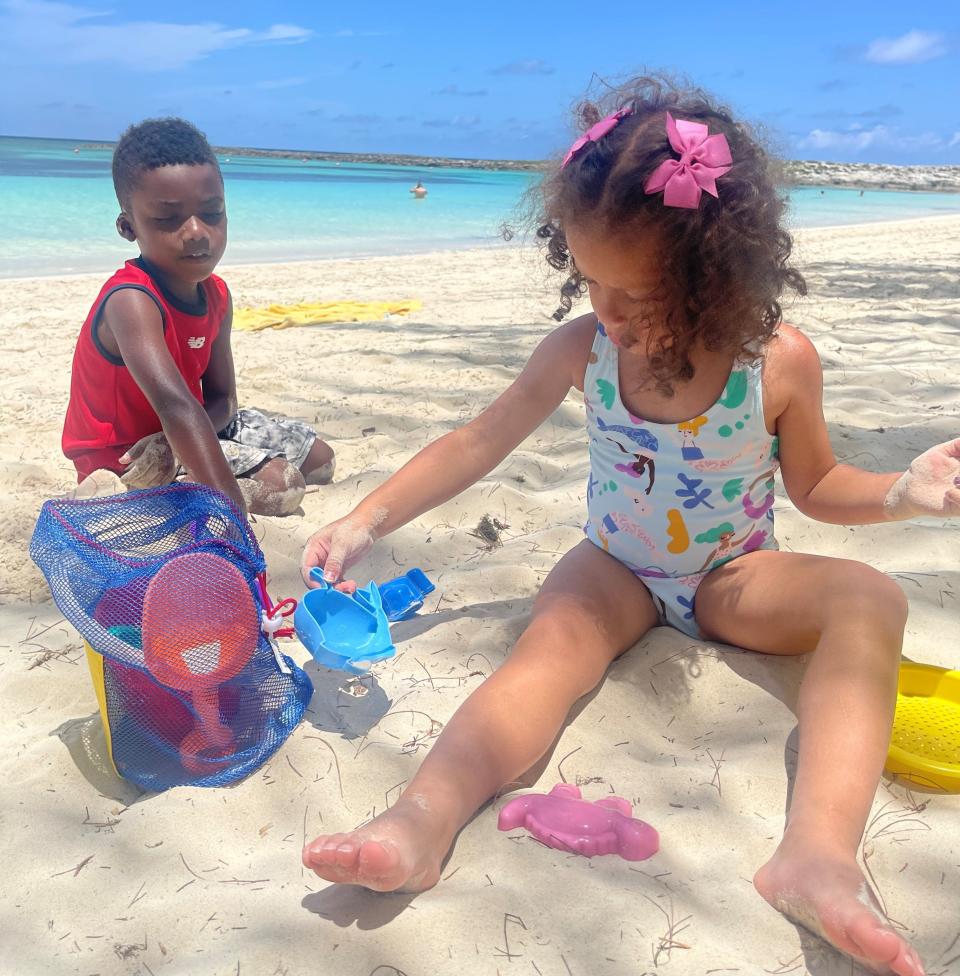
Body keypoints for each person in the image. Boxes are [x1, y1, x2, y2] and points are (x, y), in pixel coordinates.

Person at [299, 75, 958, 976]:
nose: (605, 313)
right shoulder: (585, 350)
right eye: (590, 281)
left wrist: (898, 496)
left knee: (871, 597)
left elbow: (818, 484)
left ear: (714, 277)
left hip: (733, 575)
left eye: (635, 296)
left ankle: (819, 856)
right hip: (611, 566)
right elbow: (479, 441)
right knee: (543, 661)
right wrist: (365, 516)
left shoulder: (777, 364)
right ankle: (423, 818)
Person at [62, 117, 335, 515]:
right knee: (285, 487)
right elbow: (174, 405)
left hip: (187, 427)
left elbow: (223, 398)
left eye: (211, 212)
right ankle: (132, 495)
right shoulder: (132, 300)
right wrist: (232, 515)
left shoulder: (217, 294)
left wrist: (190, 438)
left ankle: (195, 482)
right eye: (168, 218)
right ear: (128, 227)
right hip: (127, 453)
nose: (195, 231)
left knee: (320, 461)